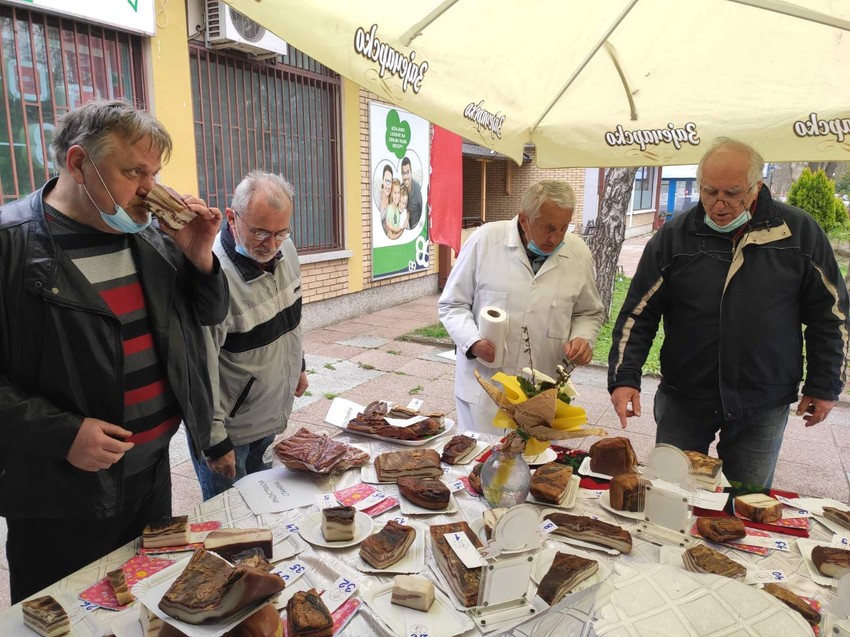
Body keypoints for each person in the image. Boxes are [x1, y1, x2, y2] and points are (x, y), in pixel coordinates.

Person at [0, 99, 228, 602]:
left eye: (154, 172)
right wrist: (61, 433)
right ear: (79, 163)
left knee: (145, 603)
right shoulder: (11, 244)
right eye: (133, 171)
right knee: (66, 614)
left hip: (150, 474)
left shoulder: (152, 236)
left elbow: (207, 317)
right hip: (58, 494)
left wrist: (200, 255)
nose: (150, 188)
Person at [608, 137, 849, 488]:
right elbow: (639, 313)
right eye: (709, 192)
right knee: (669, 495)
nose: (719, 204)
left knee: (745, 504)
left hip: (762, 400)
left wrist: (825, 385)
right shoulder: (676, 236)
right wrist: (624, 377)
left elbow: (832, 315)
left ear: (756, 188)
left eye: (732, 193)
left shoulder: (797, 233)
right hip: (685, 396)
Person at [439, 180, 605, 433]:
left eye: (564, 227)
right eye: (548, 227)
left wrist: (583, 338)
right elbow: (452, 304)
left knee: (536, 466)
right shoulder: (485, 241)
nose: (556, 238)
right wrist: (472, 341)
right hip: (485, 389)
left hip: (541, 391)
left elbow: (588, 311)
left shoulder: (578, 253)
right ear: (524, 218)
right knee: (478, 463)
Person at [190, 171, 309, 500]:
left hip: (268, 417)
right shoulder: (211, 277)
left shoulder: (286, 250)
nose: (271, 245)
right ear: (231, 218)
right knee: (232, 525)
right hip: (230, 435)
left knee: (265, 508)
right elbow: (198, 371)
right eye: (260, 233)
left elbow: (291, 315)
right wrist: (215, 444)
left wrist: (298, 363)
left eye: (281, 232)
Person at [401, 156, 423, 228]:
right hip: (404, 226)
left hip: (415, 227)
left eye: (408, 172)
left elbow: (424, 212)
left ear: (411, 172)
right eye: (404, 173)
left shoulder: (417, 190)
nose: (406, 176)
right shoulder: (401, 189)